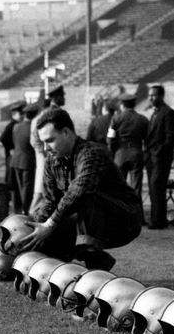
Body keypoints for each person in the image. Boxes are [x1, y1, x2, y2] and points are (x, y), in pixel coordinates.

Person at [20, 108, 143, 271]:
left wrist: (49, 225)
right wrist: (34, 230)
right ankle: (59, 270)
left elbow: (80, 191)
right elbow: (50, 201)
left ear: (66, 132)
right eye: (43, 142)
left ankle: (96, 267)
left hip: (124, 220)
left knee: (84, 197)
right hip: (89, 220)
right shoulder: (52, 160)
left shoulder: (92, 153)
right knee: (47, 232)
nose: (45, 148)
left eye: (49, 140)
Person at [107, 92, 148, 211]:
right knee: (136, 187)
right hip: (136, 152)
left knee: (119, 187)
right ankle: (138, 216)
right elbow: (147, 139)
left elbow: (110, 139)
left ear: (122, 105)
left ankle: (120, 214)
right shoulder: (143, 119)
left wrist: (112, 152)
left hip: (120, 154)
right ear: (134, 104)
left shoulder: (116, 118)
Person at [29, 85, 66, 217]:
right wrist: (46, 151)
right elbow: (35, 139)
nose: (64, 98)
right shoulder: (49, 114)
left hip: (56, 160)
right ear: (56, 97)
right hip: (49, 160)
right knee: (42, 193)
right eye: (62, 95)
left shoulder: (54, 112)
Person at [145, 84, 174, 229]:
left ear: (161, 96)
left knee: (157, 187)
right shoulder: (154, 113)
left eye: (153, 95)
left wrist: (159, 151)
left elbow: (171, 138)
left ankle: (158, 221)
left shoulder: (168, 113)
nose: (150, 98)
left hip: (161, 157)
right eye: (150, 95)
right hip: (152, 157)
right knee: (154, 189)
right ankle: (157, 219)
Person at [10, 103, 39, 215]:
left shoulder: (16, 127)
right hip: (27, 161)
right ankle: (25, 210)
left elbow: (15, 142)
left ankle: (20, 209)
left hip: (17, 160)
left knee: (20, 187)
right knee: (27, 188)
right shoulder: (32, 128)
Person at [0, 100, 25, 185]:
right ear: (14, 115)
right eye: (21, 114)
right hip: (12, 158)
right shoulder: (12, 126)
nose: (23, 116)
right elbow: (3, 138)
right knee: (13, 181)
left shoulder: (18, 125)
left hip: (17, 158)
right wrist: (11, 148)